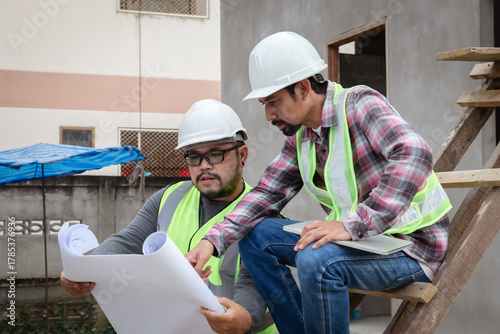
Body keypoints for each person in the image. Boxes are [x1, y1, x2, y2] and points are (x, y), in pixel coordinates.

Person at [186, 32, 452, 334]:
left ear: (302, 88)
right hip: (366, 241)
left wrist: (353, 225)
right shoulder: (301, 136)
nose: (268, 114)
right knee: (254, 235)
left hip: (411, 248)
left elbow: (414, 153)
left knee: (317, 260)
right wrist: (212, 241)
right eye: (264, 103)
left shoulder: (360, 105)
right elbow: (266, 194)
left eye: (273, 101)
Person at [60, 99, 276, 334]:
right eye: (194, 156)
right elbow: (126, 242)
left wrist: (243, 319)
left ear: (242, 154)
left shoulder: (263, 214)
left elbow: (252, 286)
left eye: (215, 154)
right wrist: (82, 270)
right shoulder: (168, 198)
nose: (204, 166)